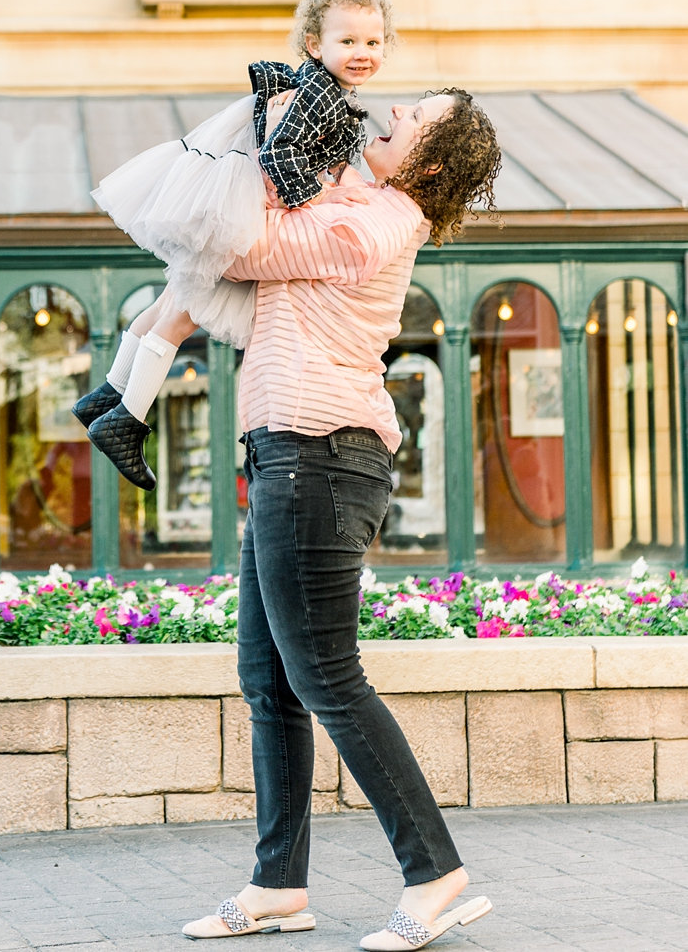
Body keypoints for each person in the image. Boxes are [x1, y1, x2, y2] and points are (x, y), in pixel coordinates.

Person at [181, 89, 502, 952]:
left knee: (325, 674)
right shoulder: (355, 195)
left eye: (418, 114)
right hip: (287, 452)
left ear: (430, 163)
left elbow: (247, 247)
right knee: (270, 680)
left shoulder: (386, 220)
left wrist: (206, 204)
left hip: (322, 452)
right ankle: (278, 884)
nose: (391, 105)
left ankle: (435, 873)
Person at [73, 0, 393, 490]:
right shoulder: (324, 95)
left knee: (171, 302)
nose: (363, 51)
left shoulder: (317, 87)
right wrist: (308, 201)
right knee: (184, 312)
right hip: (251, 207)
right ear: (315, 43)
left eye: (374, 41)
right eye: (348, 40)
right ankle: (126, 420)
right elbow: (281, 152)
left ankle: (110, 395)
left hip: (235, 194)